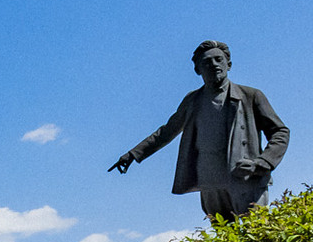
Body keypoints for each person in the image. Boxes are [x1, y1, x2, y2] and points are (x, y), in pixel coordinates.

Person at [111, 39, 291, 222]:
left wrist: (263, 162)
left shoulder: (251, 96)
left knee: (256, 232)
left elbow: (280, 132)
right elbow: (166, 132)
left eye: (219, 60)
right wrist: (134, 154)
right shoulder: (193, 101)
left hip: (246, 177)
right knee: (223, 235)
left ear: (228, 64)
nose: (214, 64)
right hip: (210, 180)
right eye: (207, 62)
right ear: (198, 69)